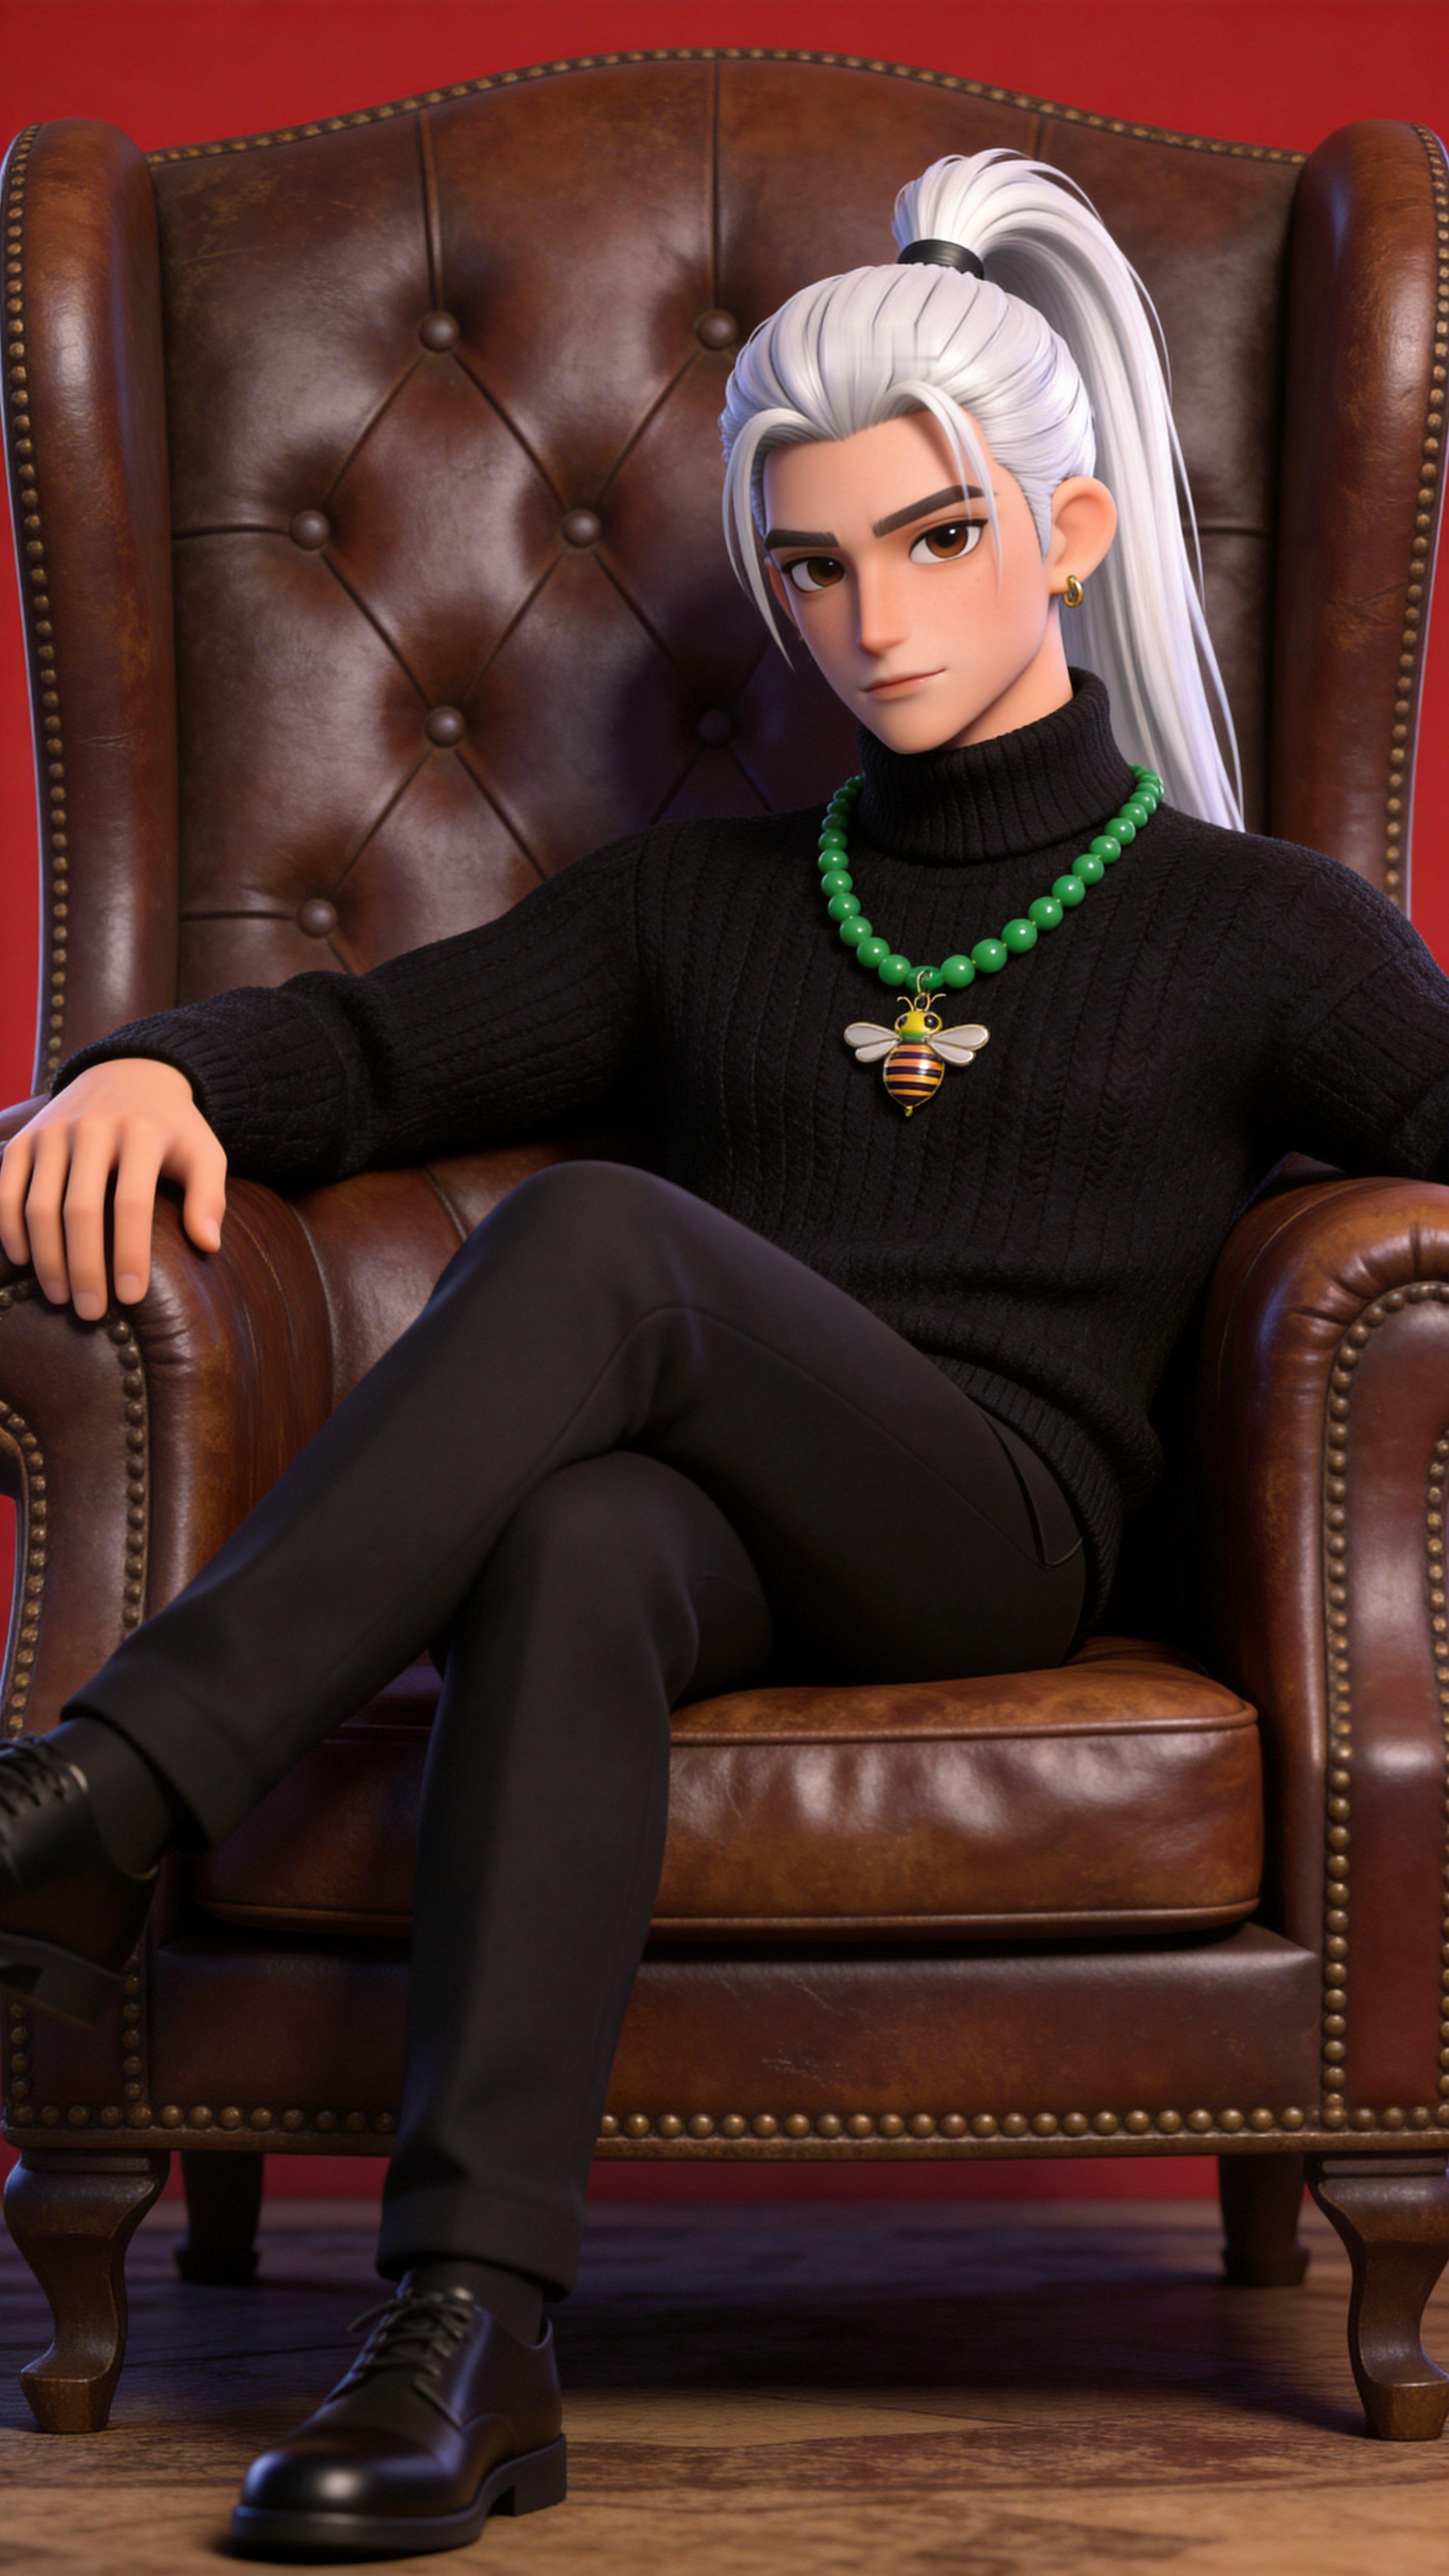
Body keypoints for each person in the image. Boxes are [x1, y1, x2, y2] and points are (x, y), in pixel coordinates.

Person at [0, 143, 1447, 2560]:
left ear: (1068, 533)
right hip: (740, 1533)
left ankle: (105, 1796)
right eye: (812, 564)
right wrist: (146, 1070)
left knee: (595, 1239)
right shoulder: (706, 904)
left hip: (1001, 1523)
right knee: (572, 1538)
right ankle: (469, 2331)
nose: (871, 619)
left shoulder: (1260, 931)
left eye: (937, 540)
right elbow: (368, 1050)